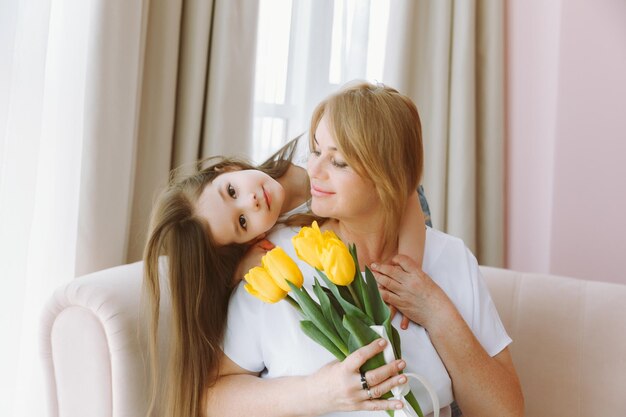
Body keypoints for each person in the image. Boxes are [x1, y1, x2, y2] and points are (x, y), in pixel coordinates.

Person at [205, 81, 524, 417]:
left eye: (338, 162)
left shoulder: (450, 259)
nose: (312, 170)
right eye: (315, 151)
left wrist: (437, 312)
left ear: (388, 177)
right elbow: (210, 399)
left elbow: (506, 412)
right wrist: (319, 393)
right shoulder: (277, 260)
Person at [142, 135, 428, 416]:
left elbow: (407, 190)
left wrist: (407, 271)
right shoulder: (272, 237)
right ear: (253, 237)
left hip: (397, 194)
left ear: (227, 170)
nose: (251, 201)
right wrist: (238, 269)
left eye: (231, 191)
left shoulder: (310, 162)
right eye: (242, 221)